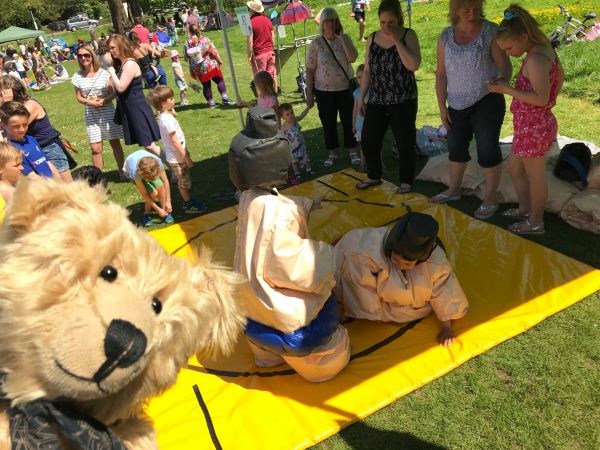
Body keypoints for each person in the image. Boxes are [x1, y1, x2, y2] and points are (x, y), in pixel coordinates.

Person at [230, 109, 350, 382]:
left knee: (262, 317)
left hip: (249, 304)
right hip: (283, 317)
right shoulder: (278, 214)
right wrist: (331, 255)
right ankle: (318, 361)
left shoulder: (248, 198)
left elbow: (275, 207)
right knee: (332, 357)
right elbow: (294, 267)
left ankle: (266, 356)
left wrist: (306, 205)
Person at [334, 212, 469, 347]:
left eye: (407, 264)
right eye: (396, 259)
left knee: (426, 283)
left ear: (420, 259)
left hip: (399, 303)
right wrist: (371, 313)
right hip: (360, 272)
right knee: (348, 274)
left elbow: (444, 289)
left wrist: (446, 327)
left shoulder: (435, 262)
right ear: (390, 248)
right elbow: (358, 283)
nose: (400, 265)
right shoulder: (364, 252)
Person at [429, 0, 512, 221]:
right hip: (455, 103)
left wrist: (501, 79)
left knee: (487, 148)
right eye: (467, 10)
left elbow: (505, 65)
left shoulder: (490, 31)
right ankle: (454, 190)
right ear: (455, 10)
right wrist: (441, 107)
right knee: (456, 147)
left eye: (476, 9)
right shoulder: (446, 36)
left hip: (487, 99)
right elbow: (440, 75)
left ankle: (490, 198)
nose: (472, 14)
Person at [488, 5, 564, 235]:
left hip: (535, 127)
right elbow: (554, 84)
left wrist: (506, 90)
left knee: (535, 176)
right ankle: (525, 208)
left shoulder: (536, 60)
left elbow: (541, 99)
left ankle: (536, 222)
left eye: (510, 47)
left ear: (524, 36)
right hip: (528, 126)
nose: (509, 53)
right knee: (514, 168)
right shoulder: (539, 50)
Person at [355, 0, 420, 193]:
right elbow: (367, 71)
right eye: (383, 22)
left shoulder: (409, 35)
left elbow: (413, 65)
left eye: (391, 22)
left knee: (404, 141)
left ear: (398, 20)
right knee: (368, 139)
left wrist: (396, 41)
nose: (386, 27)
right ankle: (374, 175)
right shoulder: (372, 38)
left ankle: (406, 181)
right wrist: (362, 98)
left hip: (403, 98)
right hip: (378, 98)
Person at [306, 8, 359, 167]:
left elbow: (352, 58)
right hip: (324, 91)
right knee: (328, 123)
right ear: (322, 23)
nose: (331, 24)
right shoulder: (316, 43)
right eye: (328, 21)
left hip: (345, 89)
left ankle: (352, 151)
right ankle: (332, 153)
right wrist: (309, 93)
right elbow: (309, 69)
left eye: (334, 20)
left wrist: (341, 39)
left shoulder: (345, 38)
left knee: (349, 121)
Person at [0, 76, 74, 182]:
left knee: (66, 186)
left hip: (47, 149)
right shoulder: (17, 108)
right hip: (30, 149)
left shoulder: (29, 105)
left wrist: (6, 103)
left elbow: (10, 123)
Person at [147, 86, 206, 214]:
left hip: (176, 156)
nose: (174, 101)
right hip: (177, 158)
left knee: (183, 178)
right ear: (164, 103)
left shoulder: (165, 115)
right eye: (171, 99)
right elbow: (174, 141)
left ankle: (185, 196)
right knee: (183, 181)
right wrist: (185, 156)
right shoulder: (166, 120)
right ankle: (187, 204)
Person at [71, 45, 125, 173]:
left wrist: (104, 100)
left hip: (107, 112)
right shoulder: (77, 76)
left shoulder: (104, 73)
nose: (83, 58)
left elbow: (113, 93)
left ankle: (123, 171)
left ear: (92, 56)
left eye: (86, 55)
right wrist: (89, 102)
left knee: (115, 143)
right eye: (80, 56)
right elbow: (79, 97)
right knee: (95, 148)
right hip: (91, 114)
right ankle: (99, 177)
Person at [106, 35, 161, 155]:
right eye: (109, 48)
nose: (110, 51)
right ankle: (168, 168)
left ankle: (176, 167)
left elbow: (121, 87)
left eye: (112, 47)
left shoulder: (130, 64)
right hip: (130, 108)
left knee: (149, 145)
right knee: (147, 145)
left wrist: (111, 71)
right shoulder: (123, 64)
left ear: (121, 46)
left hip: (137, 108)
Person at [0, 101, 59, 180]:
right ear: (3, 125)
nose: (22, 129)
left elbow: (48, 163)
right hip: (41, 188)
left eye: (25, 125)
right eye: (16, 126)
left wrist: (61, 185)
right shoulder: (11, 149)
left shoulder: (30, 139)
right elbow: (31, 177)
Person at [185, 24, 234, 107]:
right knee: (219, 80)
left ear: (189, 31)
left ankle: (211, 103)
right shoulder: (204, 40)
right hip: (210, 65)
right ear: (199, 29)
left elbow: (186, 57)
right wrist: (219, 60)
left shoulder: (187, 43)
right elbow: (213, 51)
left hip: (198, 68)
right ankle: (225, 98)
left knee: (206, 85)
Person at [122, 149, 174, 226]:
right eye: (150, 178)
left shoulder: (158, 162)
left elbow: (165, 181)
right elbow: (145, 194)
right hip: (130, 170)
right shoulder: (135, 172)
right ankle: (146, 215)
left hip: (145, 165)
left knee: (160, 186)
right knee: (153, 193)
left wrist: (168, 202)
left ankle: (165, 211)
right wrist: (158, 209)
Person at [246, 0, 278, 92]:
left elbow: (249, 41)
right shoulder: (267, 19)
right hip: (270, 52)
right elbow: (273, 37)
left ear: (251, 9)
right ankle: (274, 97)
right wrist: (271, 48)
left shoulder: (251, 22)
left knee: (259, 79)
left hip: (259, 54)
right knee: (271, 76)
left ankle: (263, 100)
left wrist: (249, 55)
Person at [279, 103, 314, 184]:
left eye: (292, 112)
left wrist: (308, 108)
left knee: (305, 158)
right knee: (294, 162)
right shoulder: (283, 128)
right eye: (287, 114)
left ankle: (309, 170)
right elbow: (279, 136)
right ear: (282, 117)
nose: (291, 115)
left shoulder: (295, 120)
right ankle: (297, 174)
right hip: (292, 149)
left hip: (301, 146)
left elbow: (302, 115)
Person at [352, 63, 367, 171]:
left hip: (372, 125)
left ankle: (380, 163)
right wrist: (353, 125)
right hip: (361, 125)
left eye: (363, 76)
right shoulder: (356, 93)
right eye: (358, 77)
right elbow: (355, 110)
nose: (361, 79)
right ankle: (363, 164)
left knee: (376, 145)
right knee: (363, 146)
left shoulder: (374, 92)